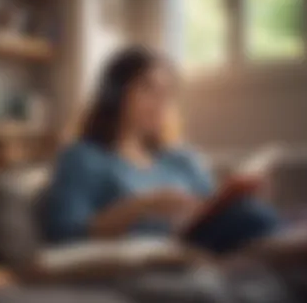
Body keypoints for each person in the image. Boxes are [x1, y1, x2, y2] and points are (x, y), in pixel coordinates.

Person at [43, 45, 280, 253]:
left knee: (252, 212)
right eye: (148, 89)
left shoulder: (181, 158)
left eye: (166, 93)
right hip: (162, 252)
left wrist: (241, 194)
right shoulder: (83, 157)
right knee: (252, 218)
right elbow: (65, 233)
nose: (161, 102)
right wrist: (144, 205)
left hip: (211, 245)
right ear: (115, 94)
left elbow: (213, 212)